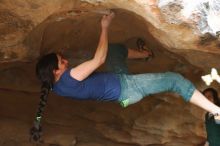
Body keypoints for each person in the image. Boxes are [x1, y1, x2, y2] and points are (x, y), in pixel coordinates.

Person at [30, 11, 220, 142]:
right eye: (61, 61)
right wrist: (105, 26)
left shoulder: (54, 86)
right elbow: (99, 59)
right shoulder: (69, 77)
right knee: (175, 80)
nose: (65, 61)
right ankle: (216, 111)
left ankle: (146, 55)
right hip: (128, 88)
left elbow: (103, 58)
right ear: (56, 71)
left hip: (121, 92)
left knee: (114, 50)